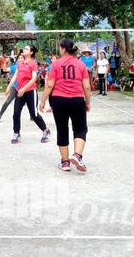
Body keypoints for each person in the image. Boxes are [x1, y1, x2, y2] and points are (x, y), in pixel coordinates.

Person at [39, 39, 91, 172]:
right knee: (80, 128)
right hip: (77, 99)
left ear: (63, 48)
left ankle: (65, 162)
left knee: (62, 129)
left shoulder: (56, 64)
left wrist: (43, 100)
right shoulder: (81, 65)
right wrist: (88, 102)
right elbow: (87, 86)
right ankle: (77, 155)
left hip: (59, 100)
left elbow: (50, 84)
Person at [6, 44, 51, 144]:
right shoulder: (20, 63)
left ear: (31, 52)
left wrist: (24, 89)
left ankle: (45, 130)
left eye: (26, 49)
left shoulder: (33, 63)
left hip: (30, 91)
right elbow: (15, 76)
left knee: (34, 114)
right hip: (20, 91)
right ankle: (16, 133)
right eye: (24, 48)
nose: (24, 50)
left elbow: (34, 78)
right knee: (16, 113)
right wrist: (9, 87)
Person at [0, 55, 23, 121]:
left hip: (24, 87)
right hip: (15, 87)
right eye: (19, 58)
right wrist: (5, 62)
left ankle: (32, 115)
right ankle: (0, 114)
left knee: (29, 102)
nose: (20, 59)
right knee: (8, 101)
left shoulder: (27, 67)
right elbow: (4, 69)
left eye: (22, 58)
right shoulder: (14, 67)